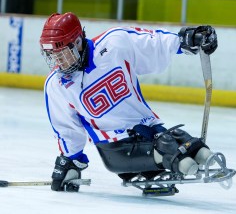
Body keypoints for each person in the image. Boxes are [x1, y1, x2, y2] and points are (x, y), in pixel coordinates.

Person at [39, 12, 218, 192]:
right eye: (53, 55)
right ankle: (176, 160)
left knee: (183, 141)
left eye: (62, 53)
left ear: (77, 42)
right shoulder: (56, 86)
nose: (58, 61)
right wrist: (71, 162)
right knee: (168, 150)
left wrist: (186, 39)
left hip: (149, 128)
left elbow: (153, 44)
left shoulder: (115, 43)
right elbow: (67, 128)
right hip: (115, 149)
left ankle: (201, 154)